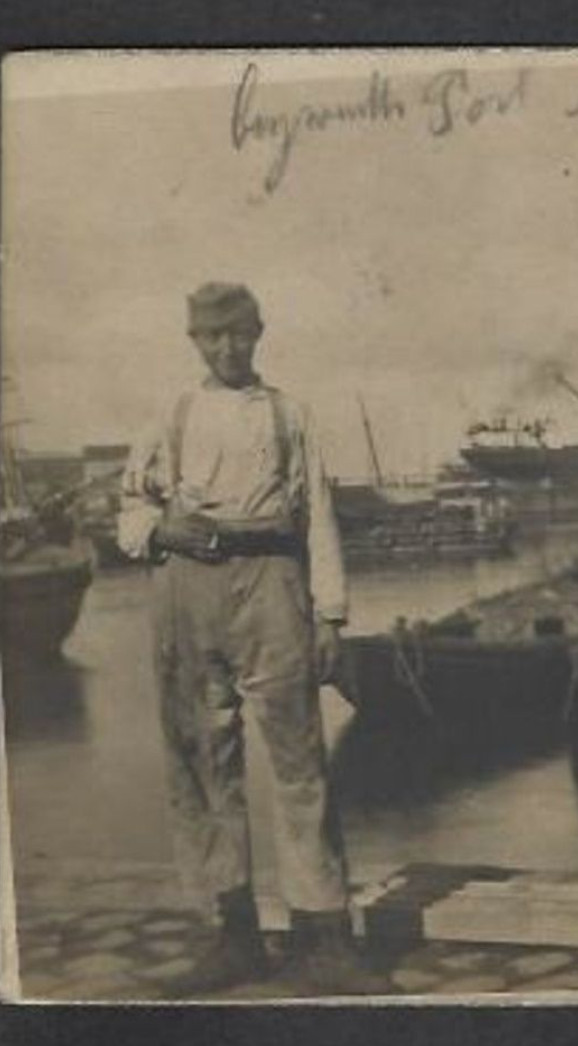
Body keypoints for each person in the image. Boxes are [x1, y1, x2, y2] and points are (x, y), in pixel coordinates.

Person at [118, 282, 392, 996]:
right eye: (212, 336)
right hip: (187, 590)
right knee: (205, 764)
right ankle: (232, 934)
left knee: (301, 762)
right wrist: (156, 530)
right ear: (194, 341)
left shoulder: (288, 415)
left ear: (259, 334)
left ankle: (323, 937)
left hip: (272, 582)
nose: (227, 348)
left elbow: (319, 519)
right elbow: (128, 511)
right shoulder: (169, 413)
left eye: (239, 334)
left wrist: (330, 617)